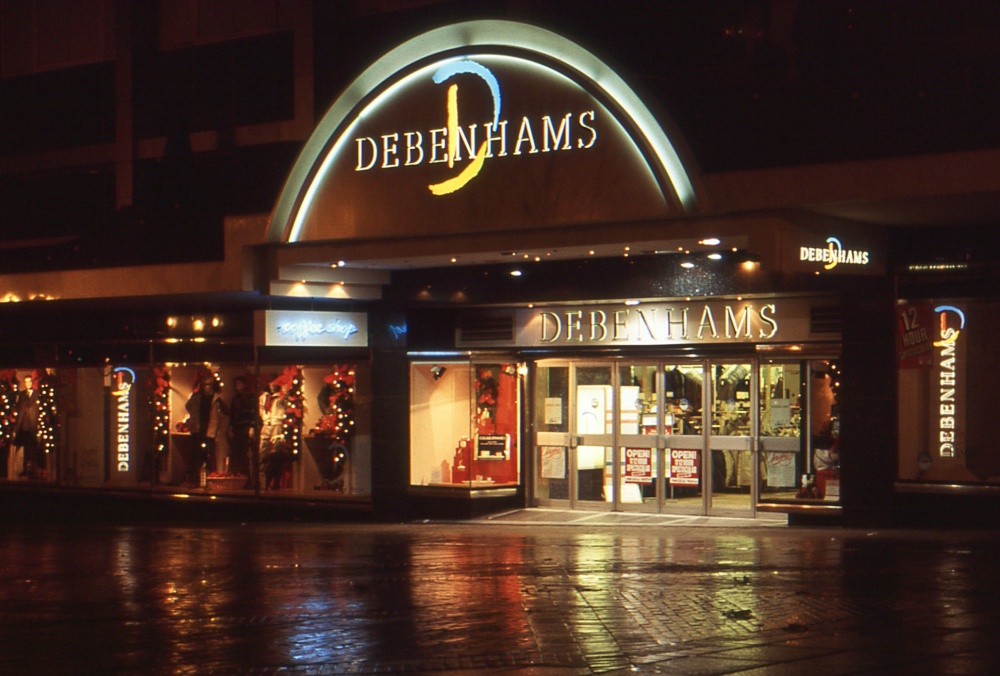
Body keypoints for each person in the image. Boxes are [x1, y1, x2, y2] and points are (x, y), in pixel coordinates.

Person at [185, 377, 229, 484]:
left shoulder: (216, 399)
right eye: (205, 385)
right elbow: (188, 406)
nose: (207, 387)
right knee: (196, 458)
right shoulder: (197, 397)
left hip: (210, 432)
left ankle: (211, 482)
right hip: (198, 431)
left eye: (209, 385)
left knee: (210, 459)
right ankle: (194, 481)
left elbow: (226, 411)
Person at [227, 376, 258, 481]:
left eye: (240, 383)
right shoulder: (235, 398)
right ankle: (238, 476)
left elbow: (253, 413)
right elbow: (232, 415)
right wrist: (231, 428)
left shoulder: (250, 397)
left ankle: (248, 478)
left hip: (245, 427)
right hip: (237, 428)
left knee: (246, 454)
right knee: (237, 453)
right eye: (237, 384)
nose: (239, 386)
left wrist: (252, 427)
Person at [11, 375, 41, 479]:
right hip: (23, 425)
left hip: (32, 425)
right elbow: (19, 409)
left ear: (32, 383)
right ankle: (24, 469)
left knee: (32, 448)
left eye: (29, 382)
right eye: (26, 382)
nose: (28, 384)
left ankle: (32, 469)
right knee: (23, 448)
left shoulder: (37, 394)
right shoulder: (22, 395)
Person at [258, 382, 287, 490]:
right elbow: (261, 410)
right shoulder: (263, 397)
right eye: (270, 384)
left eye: (274, 384)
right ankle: (262, 482)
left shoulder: (281, 397)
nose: (272, 386)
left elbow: (284, 407)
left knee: (276, 454)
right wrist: (266, 419)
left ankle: (274, 481)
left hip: (277, 425)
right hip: (267, 425)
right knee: (262, 453)